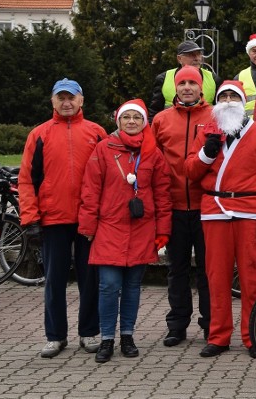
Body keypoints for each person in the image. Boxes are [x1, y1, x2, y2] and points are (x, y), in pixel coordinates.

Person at [185, 81, 256, 358]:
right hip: (214, 210)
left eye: (233, 96)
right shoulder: (206, 133)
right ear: (216, 102)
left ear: (242, 102)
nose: (228, 100)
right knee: (216, 277)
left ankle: (254, 337)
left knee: (253, 277)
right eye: (223, 96)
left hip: (250, 210)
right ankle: (218, 336)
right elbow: (190, 171)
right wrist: (208, 152)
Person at [79, 99, 173, 363]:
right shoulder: (103, 149)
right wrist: (87, 225)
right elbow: (90, 189)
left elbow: (163, 193)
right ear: (117, 121)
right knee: (108, 285)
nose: (131, 122)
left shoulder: (153, 153)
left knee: (132, 286)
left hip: (142, 228)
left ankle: (128, 335)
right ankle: (107, 338)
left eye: (137, 118)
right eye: (126, 117)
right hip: (109, 227)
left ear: (144, 122)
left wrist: (163, 230)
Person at [18, 78, 107, 358]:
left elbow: (110, 178)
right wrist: (30, 219)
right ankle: (55, 336)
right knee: (54, 280)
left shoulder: (97, 132)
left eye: (72, 98)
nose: (66, 103)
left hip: (88, 219)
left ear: (82, 100)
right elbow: (26, 181)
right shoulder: (39, 134)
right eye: (61, 98)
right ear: (52, 101)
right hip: (52, 218)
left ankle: (89, 332)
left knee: (90, 279)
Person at [152, 65, 213, 347]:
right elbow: (152, 161)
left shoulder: (214, 116)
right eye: (182, 83)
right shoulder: (161, 120)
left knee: (207, 269)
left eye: (192, 82)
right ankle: (177, 325)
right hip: (173, 206)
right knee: (176, 269)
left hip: (206, 208)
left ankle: (211, 324)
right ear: (174, 88)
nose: (187, 87)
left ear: (201, 87)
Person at [149, 40, 221, 119]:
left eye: (198, 54)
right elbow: (154, 112)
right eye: (191, 55)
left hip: (203, 128)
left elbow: (221, 110)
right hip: (172, 128)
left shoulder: (213, 78)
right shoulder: (163, 78)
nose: (196, 58)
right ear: (179, 59)